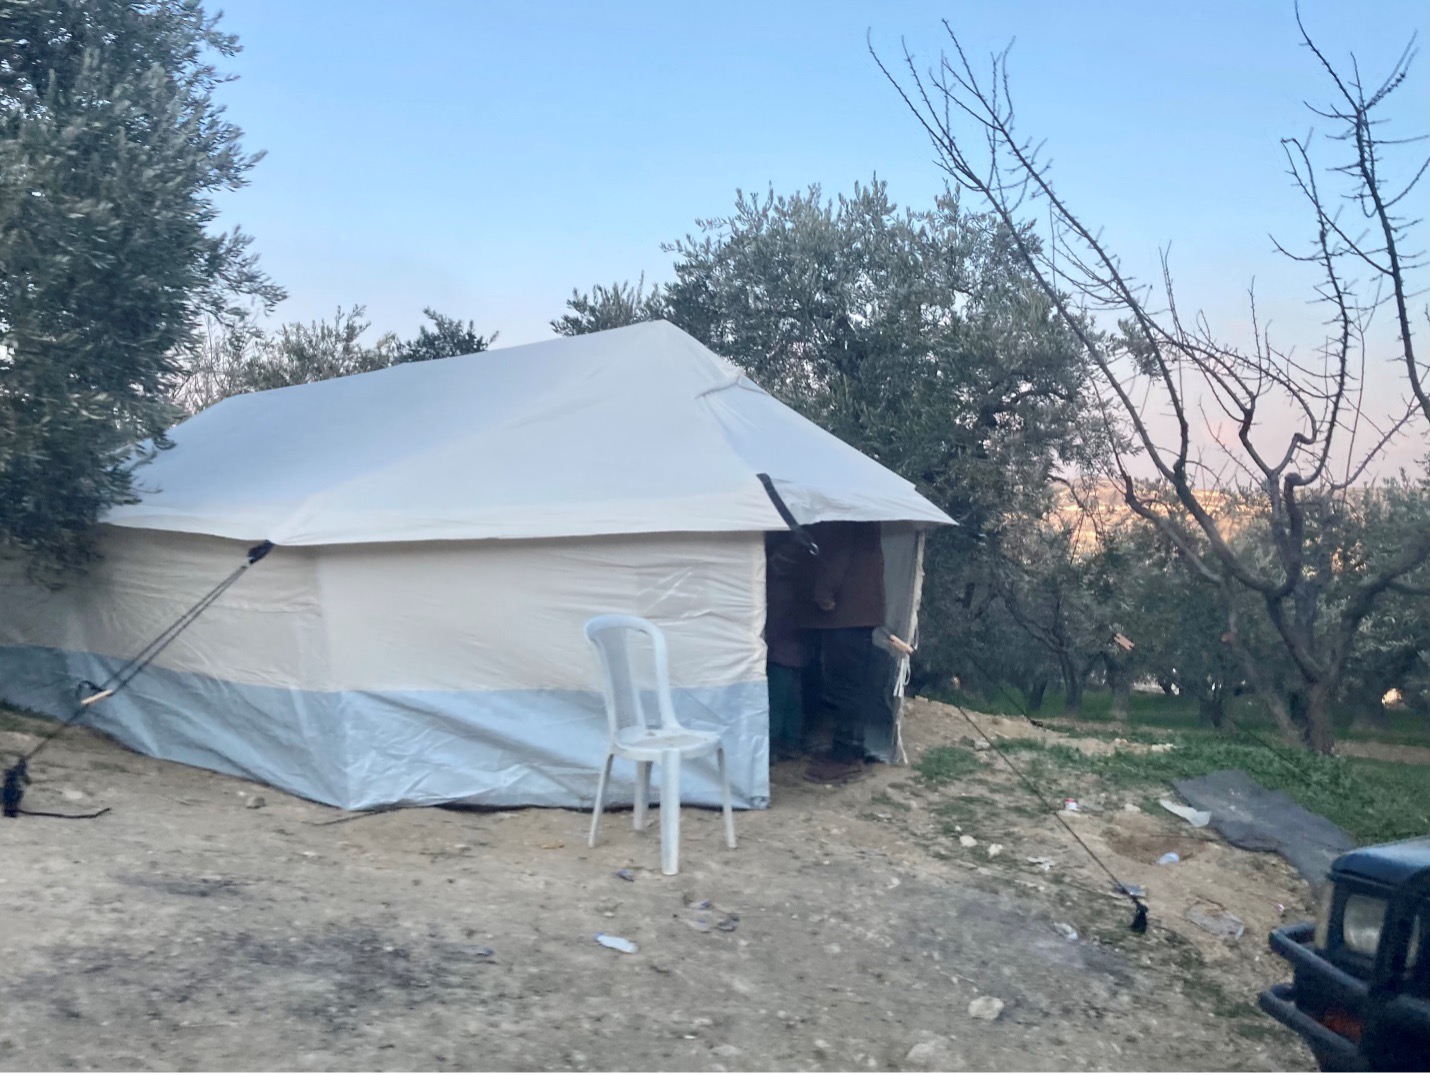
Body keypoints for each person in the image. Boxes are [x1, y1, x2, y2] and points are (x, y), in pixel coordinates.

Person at [797, 520, 885, 784]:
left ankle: (846, 756)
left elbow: (838, 554)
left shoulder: (849, 514)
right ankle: (846, 750)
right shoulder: (866, 512)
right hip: (861, 612)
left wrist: (824, 590)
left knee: (845, 686)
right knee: (852, 683)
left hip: (848, 612)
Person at [764, 531, 814, 761]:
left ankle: (774, 744)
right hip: (795, 648)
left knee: (779, 698)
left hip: (779, 650)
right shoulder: (803, 580)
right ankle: (792, 741)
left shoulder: (776, 584)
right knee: (792, 697)